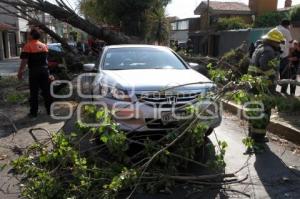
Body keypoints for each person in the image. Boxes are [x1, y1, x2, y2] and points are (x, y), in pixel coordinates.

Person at [247, 29, 285, 143]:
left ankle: (252, 135)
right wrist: (273, 77)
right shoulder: (269, 51)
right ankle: (258, 138)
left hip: (254, 85)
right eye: (278, 42)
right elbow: (264, 66)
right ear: (273, 41)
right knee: (263, 111)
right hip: (262, 88)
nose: (279, 45)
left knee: (255, 110)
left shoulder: (259, 48)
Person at [17, 28, 53, 118]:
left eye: (29, 34)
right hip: (44, 71)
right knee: (46, 91)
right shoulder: (44, 46)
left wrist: (20, 72)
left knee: (34, 92)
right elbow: (46, 61)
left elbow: (24, 61)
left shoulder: (28, 46)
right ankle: (50, 111)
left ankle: (33, 113)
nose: (28, 35)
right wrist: (48, 73)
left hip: (34, 71)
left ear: (32, 36)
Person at [276, 19, 293, 94]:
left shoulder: (275, 29)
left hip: (275, 55)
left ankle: (273, 90)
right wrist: (290, 54)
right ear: (287, 25)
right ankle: (283, 92)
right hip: (284, 56)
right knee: (285, 74)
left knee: (274, 74)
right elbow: (291, 42)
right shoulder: (286, 31)